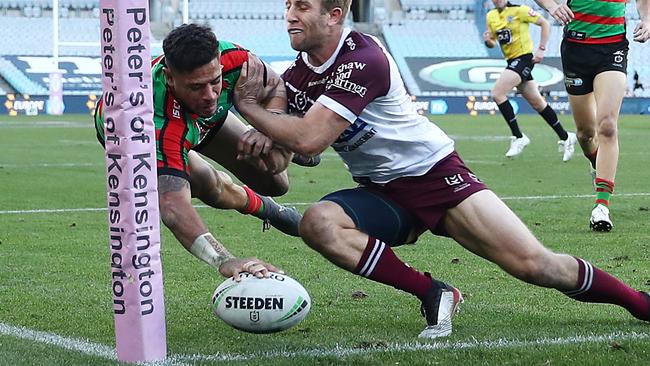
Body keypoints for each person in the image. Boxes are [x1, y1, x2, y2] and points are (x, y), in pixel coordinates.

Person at [233, 0, 650, 338]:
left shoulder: (364, 58)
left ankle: (640, 303)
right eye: (287, 5)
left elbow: (309, 139)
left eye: (302, 6)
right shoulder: (298, 76)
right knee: (319, 224)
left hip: (436, 177)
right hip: (381, 190)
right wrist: (264, 141)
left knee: (537, 266)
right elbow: (296, 158)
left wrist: (251, 110)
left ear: (335, 14)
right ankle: (435, 293)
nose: (289, 15)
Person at [95, 24, 302, 280]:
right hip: (143, 131)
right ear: (171, 78)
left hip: (201, 119)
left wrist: (272, 124)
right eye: (196, 87)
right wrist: (224, 260)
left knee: (275, 182)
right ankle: (264, 208)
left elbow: (275, 88)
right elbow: (173, 208)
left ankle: (279, 178)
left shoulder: (235, 60)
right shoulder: (154, 124)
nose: (210, 95)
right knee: (209, 186)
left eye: (215, 82)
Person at [534, 0, 650, 231]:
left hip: (612, 49)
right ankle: (597, 163)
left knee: (607, 125)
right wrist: (551, 6)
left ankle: (601, 206)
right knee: (585, 134)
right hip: (576, 50)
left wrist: (647, 19)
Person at [483, 0, 577, 160]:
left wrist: (541, 49)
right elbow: (493, 41)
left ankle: (519, 137)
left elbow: (544, 23)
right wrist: (488, 41)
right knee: (538, 103)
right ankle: (566, 137)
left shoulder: (520, 10)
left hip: (524, 58)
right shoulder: (491, 16)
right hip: (511, 61)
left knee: (498, 93)